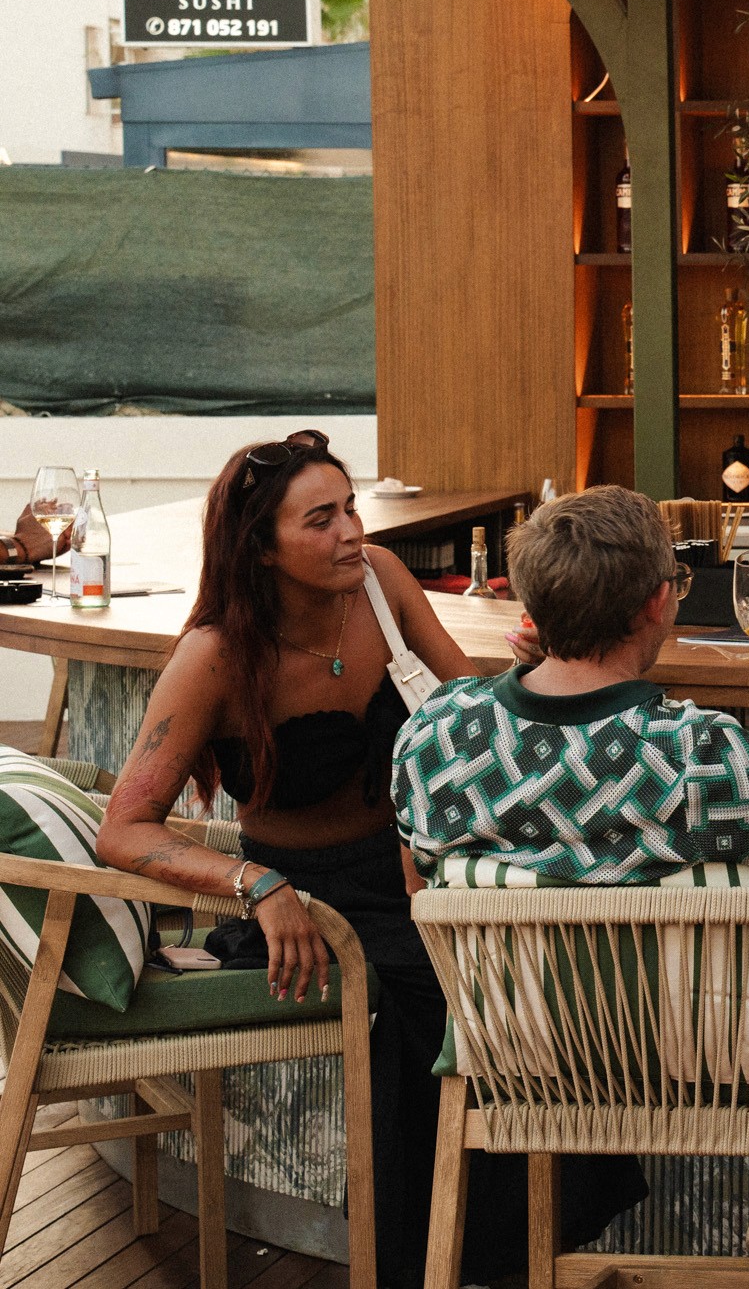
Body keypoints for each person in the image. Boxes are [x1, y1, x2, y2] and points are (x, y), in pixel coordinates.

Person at [93, 431, 648, 1289]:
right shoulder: (213, 657)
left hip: (423, 869)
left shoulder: (383, 587)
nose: (353, 531)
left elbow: (469, 714)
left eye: (351, 508)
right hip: (315, 900)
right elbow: (124, 830)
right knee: (430, 1003)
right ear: (261, 548)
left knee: (539, 969)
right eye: (321, 520)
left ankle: (520, 1249)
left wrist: (530, 675)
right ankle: (439, 1264)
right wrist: (257, 887)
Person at [390, 485, 749, 1263]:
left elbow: (418, 879)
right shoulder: (695, 751)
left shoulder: (436, 733)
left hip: (519, 1045)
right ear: (659, 602)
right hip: (711, 1048)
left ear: (532, 602)